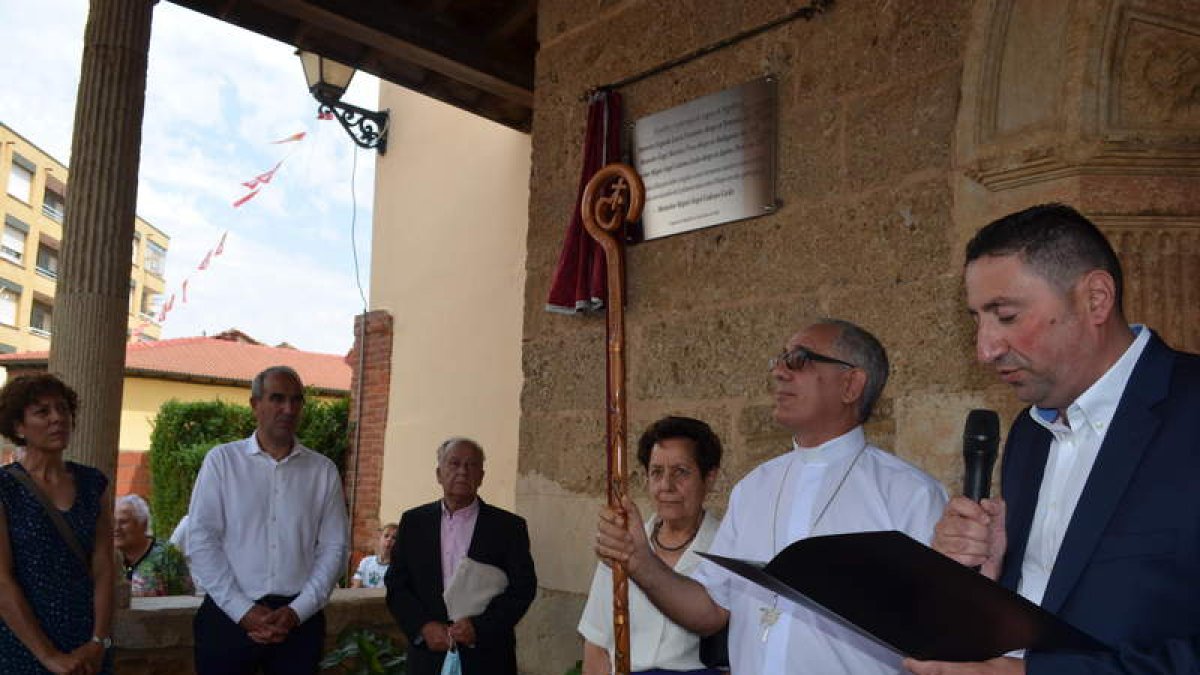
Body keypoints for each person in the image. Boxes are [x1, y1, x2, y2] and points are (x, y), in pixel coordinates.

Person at [906, 204, 1200, 675]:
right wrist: (989, 579)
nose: (985, 350)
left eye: (1004, 316)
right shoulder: (1027, 437)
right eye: (976, 321)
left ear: (1096, 299)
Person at [597, 319, 948, 675]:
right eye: (779, 360)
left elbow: (942, 639)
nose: (779, 372)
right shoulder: (753, 488)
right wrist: (640, 561)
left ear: (851, 384)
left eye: (798, 359)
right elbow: (710, 610)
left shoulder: (911, 497)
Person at [187, 365, 349, 675]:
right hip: (227, 618)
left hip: (299, 624)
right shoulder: (222, 462)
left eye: (296, 400)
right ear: (255, 405)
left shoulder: (322, 471)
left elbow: (334, 548)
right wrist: (242, 610)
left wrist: (297, 611)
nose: (288, 409)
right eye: (277, 398)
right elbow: (202, 541)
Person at [579, 416, 724, 675]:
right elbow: (596, 645)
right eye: (656, 472)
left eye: (681, 472)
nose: (666, 486)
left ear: (709, 478)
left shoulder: (725, 551)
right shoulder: (622, 545)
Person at [385, 437, 537, 675]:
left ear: (482, 476)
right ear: (438, 473)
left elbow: (523, 588)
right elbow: (396, 584)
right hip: (428, 658)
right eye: (454, 464)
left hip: (488, 657)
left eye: (471, 465)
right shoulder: (413, 523)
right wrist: (423, 627)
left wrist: (479, 628)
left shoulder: (508, 527)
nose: (462, 471)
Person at [0, 373, 115, 674]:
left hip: (87, 642)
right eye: (43, 412)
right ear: (18, 427)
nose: (58, 418)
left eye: (63, 409)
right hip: (23, 644)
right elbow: (1, 579)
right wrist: (49, 656)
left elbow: (103, 566)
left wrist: (99, 641)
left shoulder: (93, 484)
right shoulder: (4, 488)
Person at [113, 494, 193, 597]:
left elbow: (185, 600)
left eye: (123, 522)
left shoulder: (167, 555)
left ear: (143, 524)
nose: (116, 528)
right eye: (112, 522)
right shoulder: (108, 556)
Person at [351, 523, 397, 589]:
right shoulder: (366, 561)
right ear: (380, 538)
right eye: (386, 536)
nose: (389, 539)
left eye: (394, 538)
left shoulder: (397, 568)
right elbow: (356, 586)